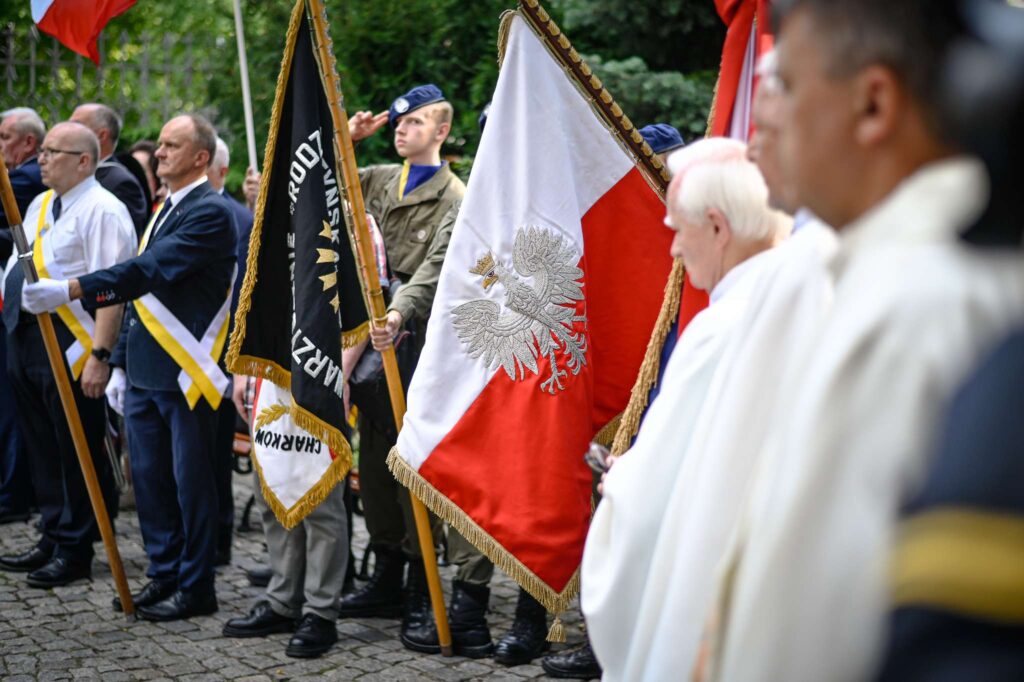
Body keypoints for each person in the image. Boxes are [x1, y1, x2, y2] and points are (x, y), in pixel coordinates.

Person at [706, 2, 1024, 680]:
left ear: (872, 104)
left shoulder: (919, 303)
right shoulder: (894, 271)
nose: (773, 112)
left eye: (789, 84)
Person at [580, 136, 792, 681]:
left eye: (677, 230)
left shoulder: (719, 331)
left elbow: (650, 509)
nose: (672, 249)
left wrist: (622, 482)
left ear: (718, 227)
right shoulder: (795, 298)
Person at [21, 113, 238, 621]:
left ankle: (195, 585)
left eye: (170, 145)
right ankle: (163, 574)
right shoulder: (165, 207)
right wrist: (117, 363)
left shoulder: (211, 212)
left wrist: (73, 288)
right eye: (160, 144)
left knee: (191, 486)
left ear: (200, 158)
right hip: (143, 370)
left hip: (186, 374)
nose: (158, 152)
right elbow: (140, 301)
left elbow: (147, 272)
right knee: (151, 482)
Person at [537, 119, 693, 680]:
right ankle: (601, 645)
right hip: (626, 412)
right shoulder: (628, 232)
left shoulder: (695, 248)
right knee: (615, 530)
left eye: (666, 166)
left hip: (676, 416)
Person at [339, 84, 466, 646]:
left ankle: (421, 580)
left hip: (411, 339)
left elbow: (436, 265)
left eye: (415, 122)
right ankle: (387, 568)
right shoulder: (380, 178)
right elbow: (327, 191)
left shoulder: (453, 196)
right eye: (398, 122)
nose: (401, 128)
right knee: (374, 457)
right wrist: (348, 138)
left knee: (413, 456)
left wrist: (396, 311)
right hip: (367, 339)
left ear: (440, 132)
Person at [0, 122, 135, 586]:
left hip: (75, 344)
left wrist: (101, 354)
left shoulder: (104, 210)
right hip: (29, 337)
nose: (43, 158)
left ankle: (77, 544)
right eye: (45, 150)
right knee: (43, 445)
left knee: (76, 447)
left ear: (83, 160)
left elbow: (112, 287)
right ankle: (54, 532)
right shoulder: (40, 203)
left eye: (55, 151)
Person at [207, 136, 255, 566]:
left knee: (213, 460)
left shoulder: (241, 218)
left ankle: (218, 540)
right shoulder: (171, 209)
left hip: (221, 356)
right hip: (188, 357)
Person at [0, 107, 46, 525]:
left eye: (5, 138)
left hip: (35, 322)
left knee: (16, 412)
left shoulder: (26, 180)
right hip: (17, 315)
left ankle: (15, 494)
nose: (1, 148)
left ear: (28, 142)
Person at [70, 103, 150, 236]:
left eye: (77, 126)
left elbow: (123, 240)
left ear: (101, 135)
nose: (67, 131)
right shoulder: (71, 175)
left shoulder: (121, 183)